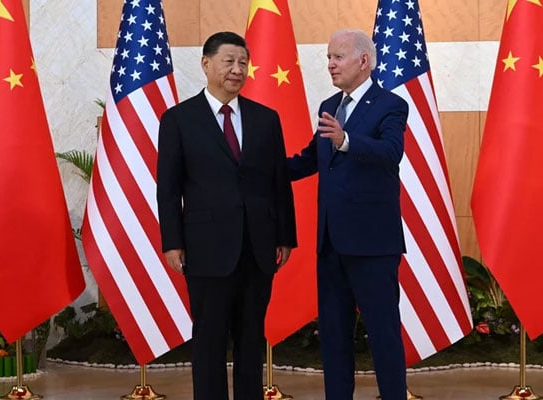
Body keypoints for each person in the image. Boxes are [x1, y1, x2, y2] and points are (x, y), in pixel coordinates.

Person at [157, 31, 297, 400]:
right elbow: (168, 189)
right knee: (209, 340)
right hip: (205, 249)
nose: (237, 70)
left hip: (258, 247)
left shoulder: (266, 119)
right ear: (206, 64)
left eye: (243, 63)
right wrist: (172, 242)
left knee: (252, 338)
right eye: (229, 61)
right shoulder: (178, 120)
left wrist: (285, 236)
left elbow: (278, 183)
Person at [287, 29, 408, 400]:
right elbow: (312, 158)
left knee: (383, 333)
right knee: (335, 337)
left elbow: (390, 153)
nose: (330, 65)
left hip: (372, 245)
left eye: (337, 57)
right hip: (331, 243)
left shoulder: (390, 104)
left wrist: (346, 140)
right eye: (328, 57)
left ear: (363, 61)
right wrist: (262, 168)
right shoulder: (330, 104)